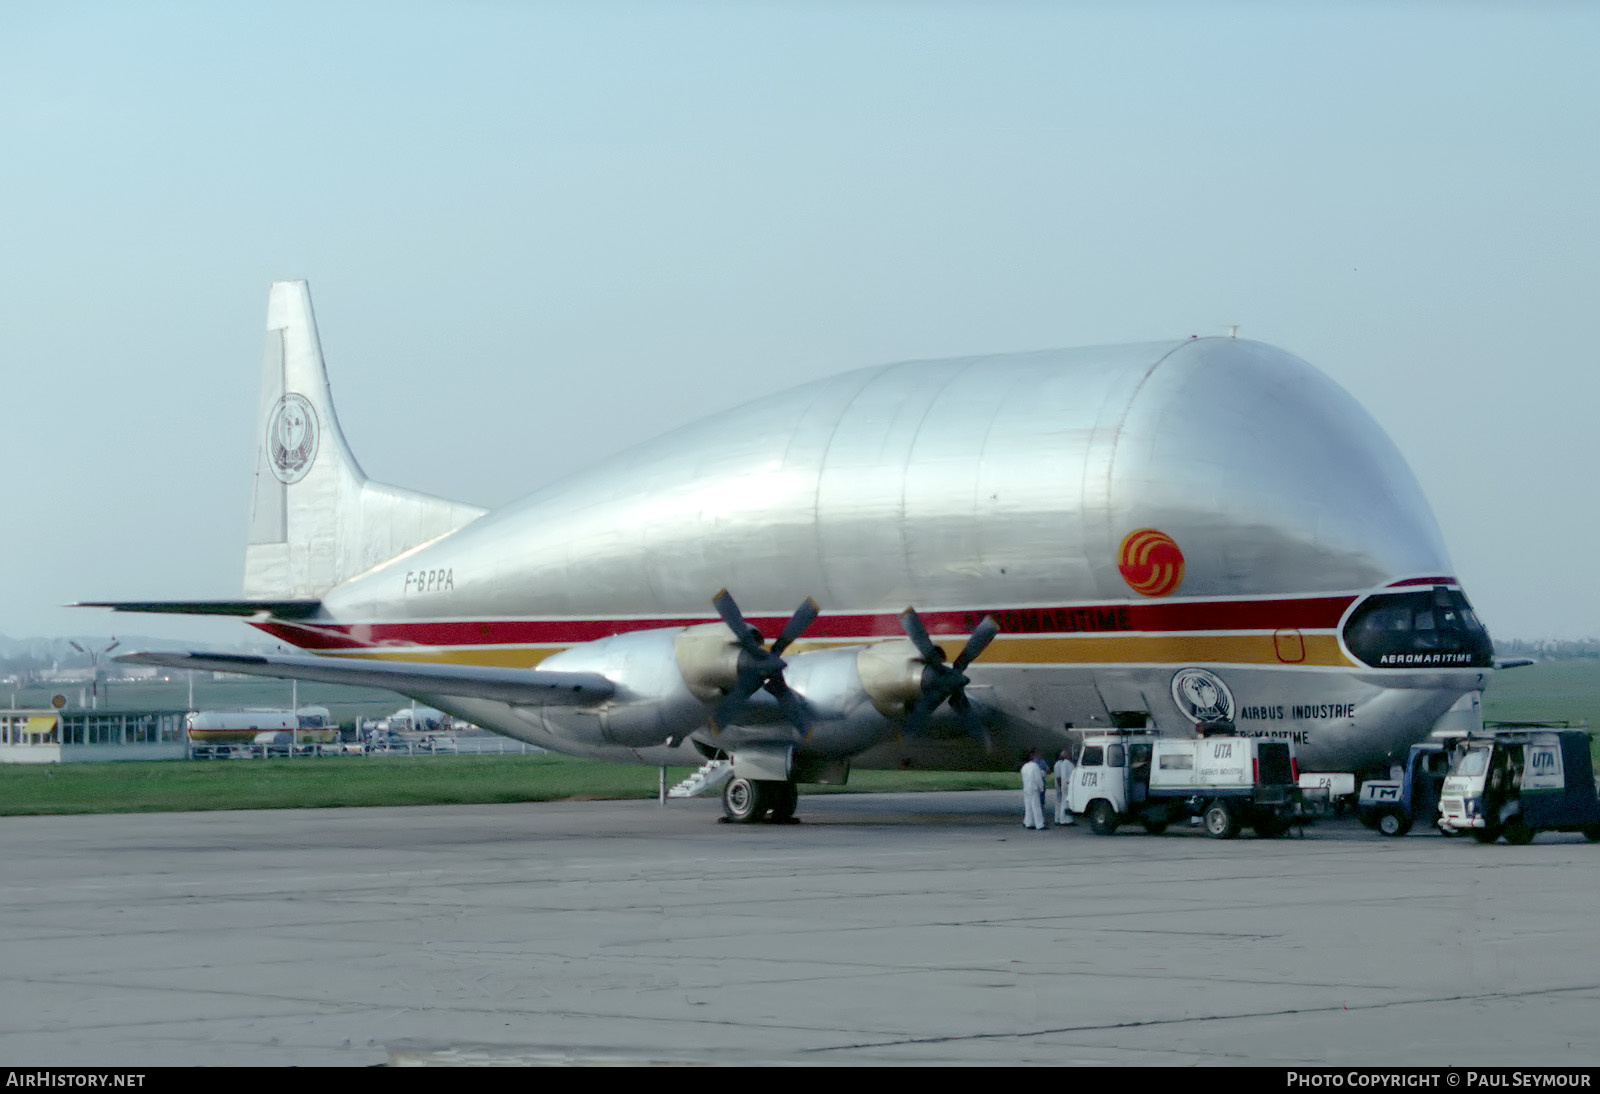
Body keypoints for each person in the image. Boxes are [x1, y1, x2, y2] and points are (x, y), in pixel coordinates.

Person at [1021, 748, 1047, 830]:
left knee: (1028, 806)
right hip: (1034, 788)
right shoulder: (1034, 766)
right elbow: (1038, 778)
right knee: (1036, 806)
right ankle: (1039, 824)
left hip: (1026, 789)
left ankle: (1029, 822)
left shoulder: (1024, 767)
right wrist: (1042, 787)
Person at [1053, 748, 1076, 825]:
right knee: (1064, 801)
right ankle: (1064, 819)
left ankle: (1064, 818)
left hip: (1065, 784)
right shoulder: (1065, 764)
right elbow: (1061, 776)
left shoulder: (1064, 763)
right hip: (1066, 784)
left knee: (1064, 801)